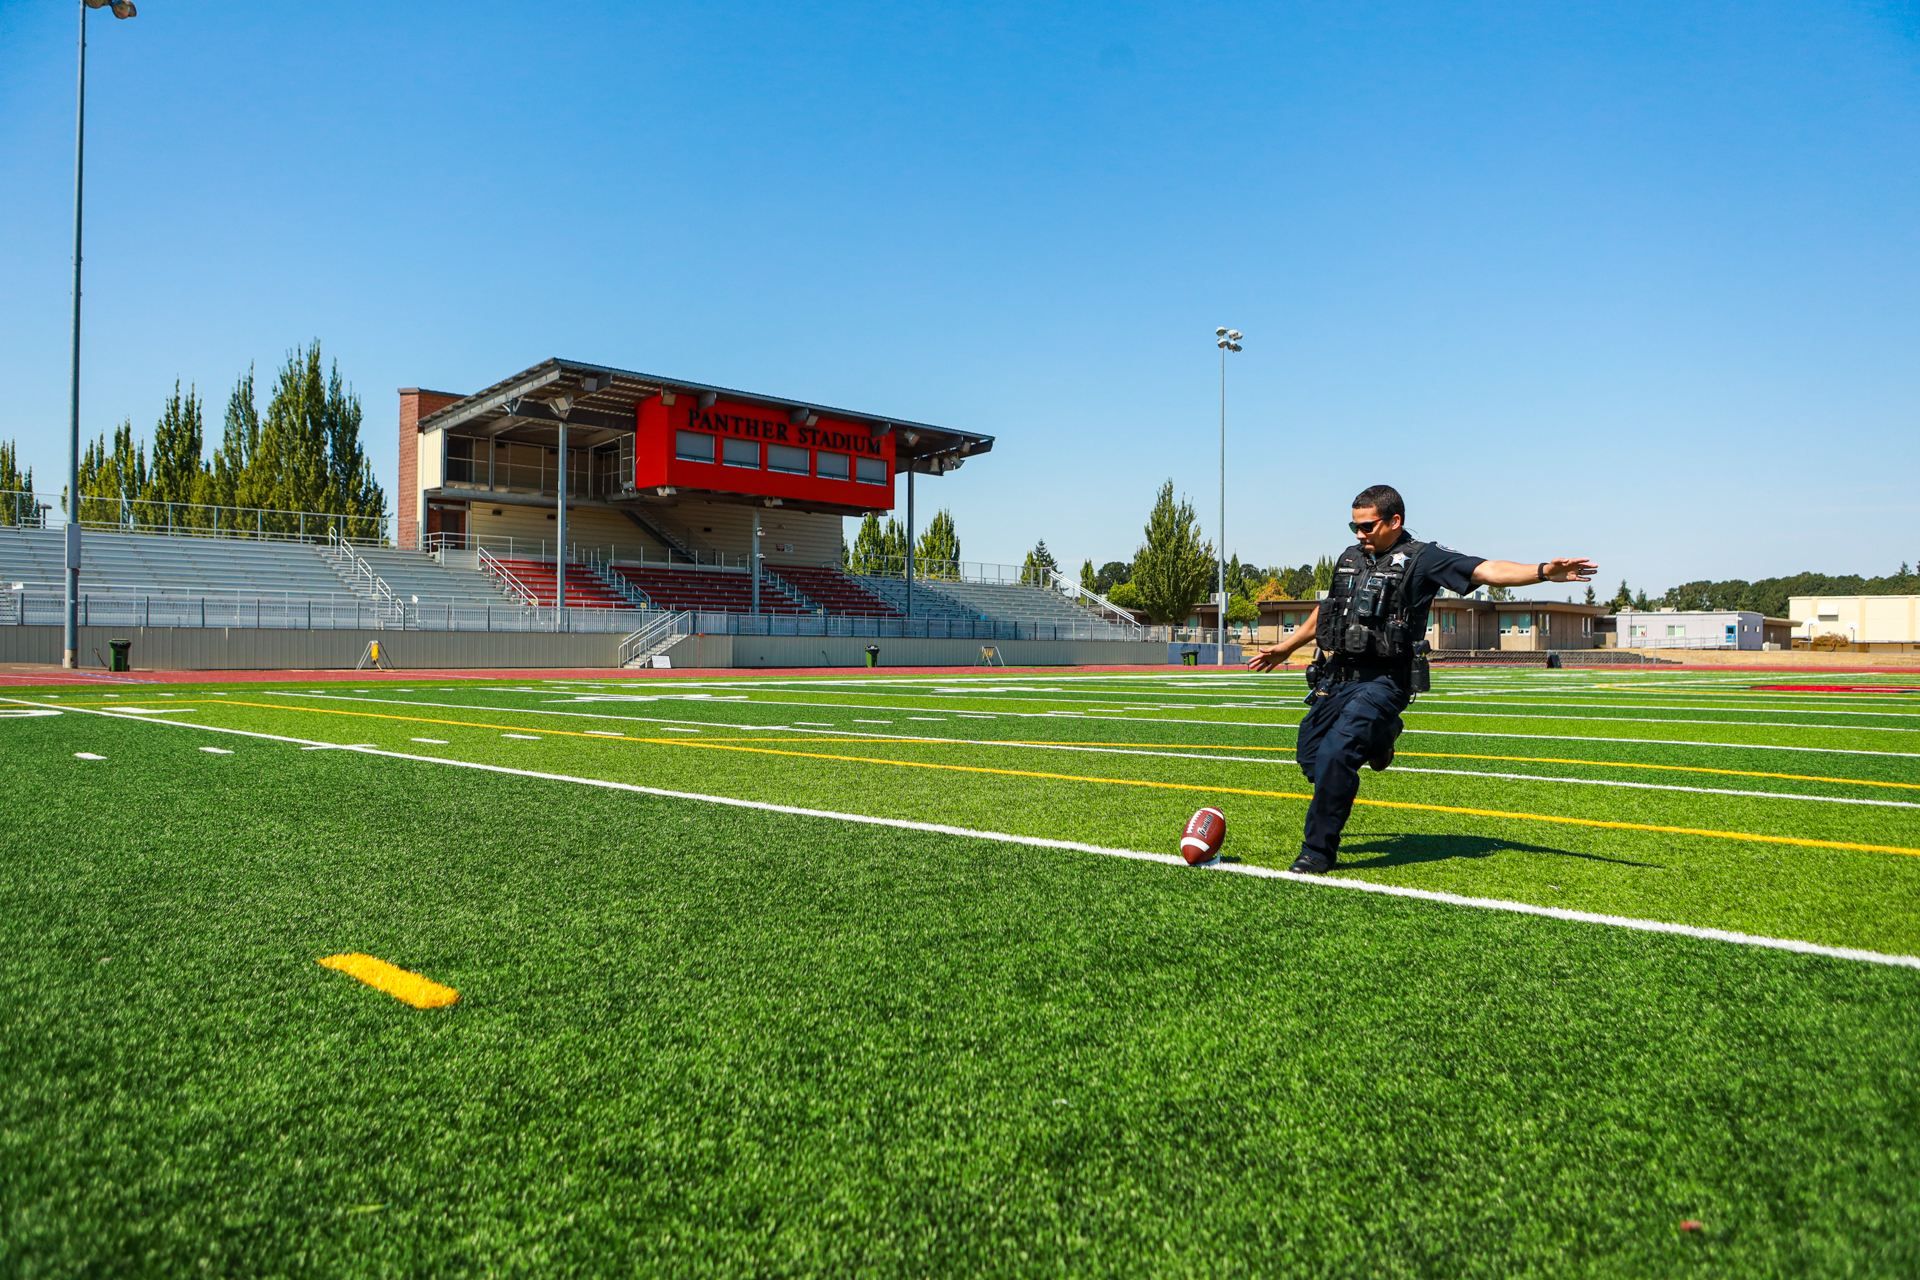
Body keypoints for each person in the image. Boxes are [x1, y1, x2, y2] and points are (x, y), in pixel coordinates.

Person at [1247, 484, 1597, 874]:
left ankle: (1317, 851)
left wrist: (1544, 573)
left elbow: (1487, 569)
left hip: (1385, 680)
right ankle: (1382, 736)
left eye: (1367, 526)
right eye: (1353, 526)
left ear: (1395, 521)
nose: (1359, 534)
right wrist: (1286, 646)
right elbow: (1328, 610)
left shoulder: (1424, 557)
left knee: (1335, 757)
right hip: (1338, 677)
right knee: (1312, 758)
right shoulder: (1349, 558)